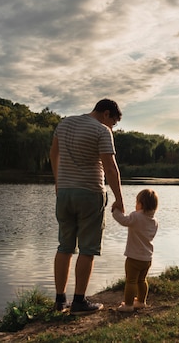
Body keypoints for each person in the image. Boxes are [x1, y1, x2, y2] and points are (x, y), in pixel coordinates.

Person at [49, 98, 124, 315]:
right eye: (114, 122)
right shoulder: (101, 130)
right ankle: (80, 301)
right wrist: (119, 199)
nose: (112, 127)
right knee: (88, 248)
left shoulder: (64, 124)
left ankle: (60, 300)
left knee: (64, 246)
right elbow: (110, 168)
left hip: (64, 192)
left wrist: (58, 180)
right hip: (90, 193)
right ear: (106, 114)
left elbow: (54, 153)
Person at [111, 188, 159, 313]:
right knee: (142, 280)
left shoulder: (136, 216)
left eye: (136, 202)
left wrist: (116, 211)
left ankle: (128, 305)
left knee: (131, 281)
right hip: (147, 258)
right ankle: (141, 302)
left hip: (133, 257)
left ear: (141, 204)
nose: (135, 205)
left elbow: (123, 220)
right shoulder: (154, 222)